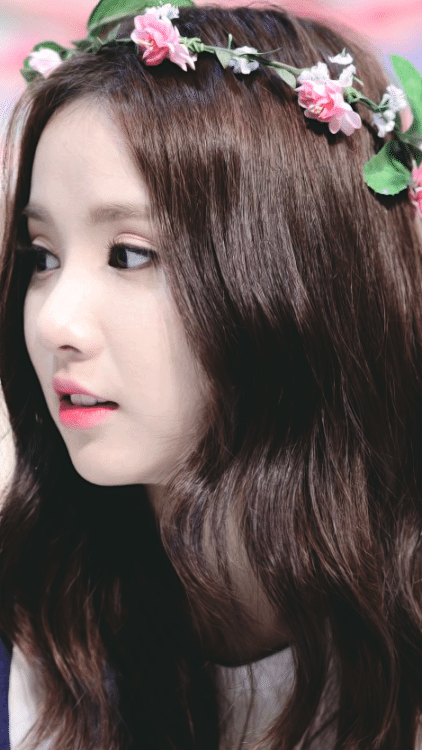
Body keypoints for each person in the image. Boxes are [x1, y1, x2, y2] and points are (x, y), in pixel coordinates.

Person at [0, 0, 422, 748]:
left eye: (129, 254)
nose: (54, 321)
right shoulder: (30, 630)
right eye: (43, 256)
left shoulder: (399, 636)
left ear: (300, 274)